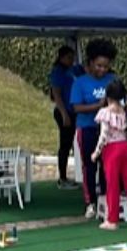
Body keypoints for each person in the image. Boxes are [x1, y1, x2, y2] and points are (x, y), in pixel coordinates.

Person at [70, 38, 118, 218]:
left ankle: (105, 200)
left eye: (105, 66)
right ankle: (90, 203)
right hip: (87, 128)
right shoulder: (80, 82)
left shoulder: (113, 79)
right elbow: (76, 108)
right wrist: (99, 106)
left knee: (107, 166)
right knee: (89, 166)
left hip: (109, 130)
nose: (102, 70)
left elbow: (121, 101)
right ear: (90, 63)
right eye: (98, 65)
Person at [91, 80, 127, 231]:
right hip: (126, 147)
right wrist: (126, 142)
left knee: (112, 185)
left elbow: (103, 135)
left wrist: (96, 153)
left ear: (108, 96)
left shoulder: (105, 113)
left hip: (111, 150)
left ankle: (112, 219)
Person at [49, 45, 81, 189]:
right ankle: (62, 178)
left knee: (72, 143)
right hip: (64, 111)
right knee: (65, 144)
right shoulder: (58, 72)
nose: (72, 60)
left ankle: (75, 175)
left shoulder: (73, 70)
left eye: (72, 57)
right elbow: (56, 94)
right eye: (69, 57)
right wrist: (64, 114)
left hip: (73, 111)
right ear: (62, 57)